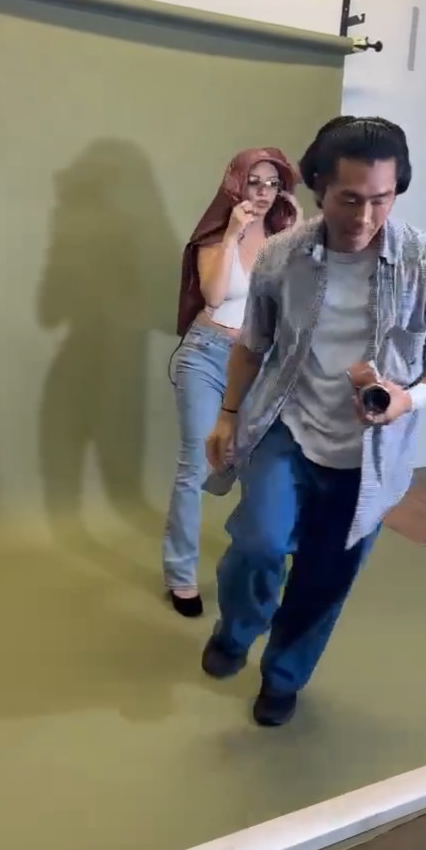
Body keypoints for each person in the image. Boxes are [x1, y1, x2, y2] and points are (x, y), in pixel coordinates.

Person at [202, 116, 426, 726]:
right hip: (286, 428)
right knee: (257, 545)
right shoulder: (284, 254)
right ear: (318, 188)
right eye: (350, 199)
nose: (365, 216)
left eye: (381, 199)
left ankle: (283, 677)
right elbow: (252, 345)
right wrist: (227, 416)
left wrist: (410, 398)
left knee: (325, 577)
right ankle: (239, 627)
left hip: (370, 455)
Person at [162, 148, 301, 618]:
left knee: (264, 466)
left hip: (258, 363)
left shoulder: (283, 239)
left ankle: (256, 568)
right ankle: (181, 576)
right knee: (196, 465)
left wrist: (300, 231)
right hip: (206, 354)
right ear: (236, 185)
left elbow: (302, 297)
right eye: (254, 182)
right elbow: (214, 295)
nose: (263, 193)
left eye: (273, 184)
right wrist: (232, 235)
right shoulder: (214, 236)